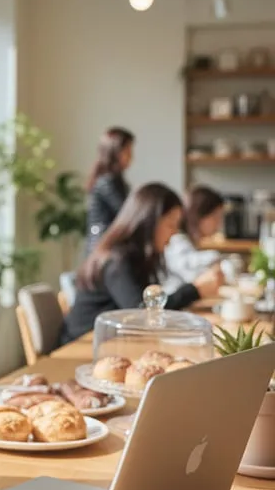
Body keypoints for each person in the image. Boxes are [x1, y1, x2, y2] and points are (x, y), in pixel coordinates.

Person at [59, 182, 223, 345]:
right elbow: (144, 315)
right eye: (170, 225)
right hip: (82, 345)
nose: (174, 233)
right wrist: (195, 290)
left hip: (111, 341)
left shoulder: (136, 256)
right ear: (149, 222)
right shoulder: (117, 261)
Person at [163, 185, 224, 292]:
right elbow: (191, 274)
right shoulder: (177, 241)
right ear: (198, 215)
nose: (219, 224)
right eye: (215, 217)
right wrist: (216, 257)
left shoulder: (188, 241)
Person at [84, 127, 134, 255]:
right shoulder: (107, 182)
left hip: (106, 246)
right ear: (115, 152)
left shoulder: (114, 180)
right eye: (127, 151)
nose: (131, 156)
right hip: (102, 249)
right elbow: (126, 213)